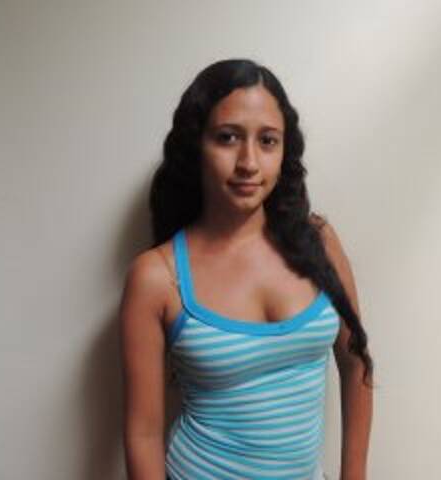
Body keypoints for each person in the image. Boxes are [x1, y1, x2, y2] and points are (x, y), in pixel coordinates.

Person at [120, 58, 374, 480]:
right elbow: (143, 434)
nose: (249, 162)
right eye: (228, 137)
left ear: (284, 150)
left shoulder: (319, 242)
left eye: (268, 141)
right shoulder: (157, 277)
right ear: (195, 145)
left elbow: (356, 365)